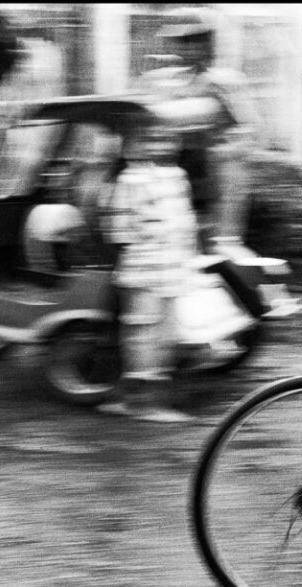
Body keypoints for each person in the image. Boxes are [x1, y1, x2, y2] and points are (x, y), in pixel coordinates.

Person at [97, 121, 200, 422]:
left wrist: (187, 258)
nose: (162, 145)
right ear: (140, 143)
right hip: (144, 270)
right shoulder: (131, 179)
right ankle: (141, 404)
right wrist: (151, 238)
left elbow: (186, 222)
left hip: (174, 270)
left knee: (166, 336)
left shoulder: (179, 177)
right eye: (153, 139)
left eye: (168, 139)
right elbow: (118, 230)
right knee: (142, 335)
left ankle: (147, 402)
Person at [143, 6, 259, 249]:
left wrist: (222, 149)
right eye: (181, 41)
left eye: (193, 40)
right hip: (179, 173)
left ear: (209, 42)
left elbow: (250, 131)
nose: (186, 48)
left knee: (218, 244)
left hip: (217, 175)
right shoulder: (167, 82)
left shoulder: (227, 83)